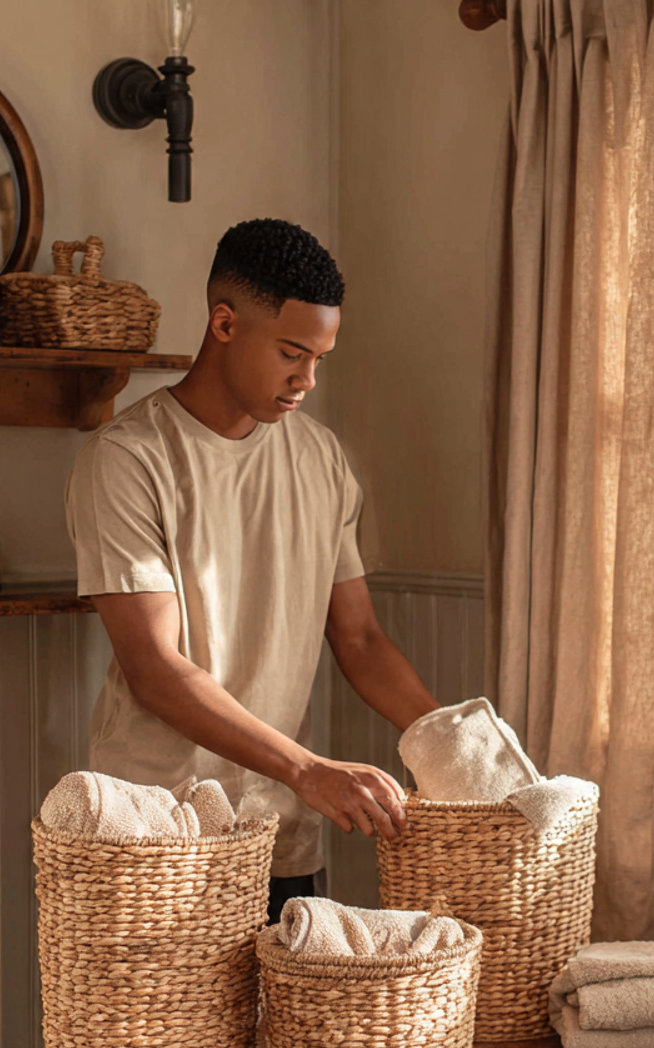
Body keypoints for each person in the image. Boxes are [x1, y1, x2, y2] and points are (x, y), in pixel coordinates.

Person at [65, 218, 440, 922]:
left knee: (287, 1037)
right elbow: (154, 667)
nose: (308, 380)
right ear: (224, 323)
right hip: (160, 834)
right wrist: (306, 768)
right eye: (293, 353)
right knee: (162, 1039)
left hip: (284, 835)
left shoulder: (322, 460)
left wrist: (460, 749)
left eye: (321, 358)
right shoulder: (127, 460)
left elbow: (359, 641)